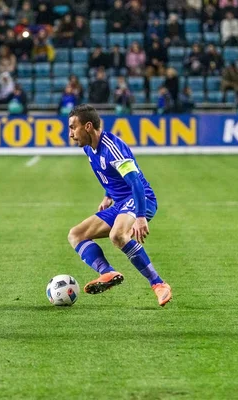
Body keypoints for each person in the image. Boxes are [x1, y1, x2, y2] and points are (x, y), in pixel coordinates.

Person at [66, 104, 172, 307]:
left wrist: (140, 217)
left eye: (73, 127)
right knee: (76, 235)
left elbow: (136, 184)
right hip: (122, 203)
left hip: (141, 198)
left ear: (88, 126)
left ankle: (159, 284)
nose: (70, 134)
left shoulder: (113, 149)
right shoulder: (89, 148)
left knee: (117, 235)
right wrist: (107, 196)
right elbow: (111, 175)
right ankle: (106, 272)